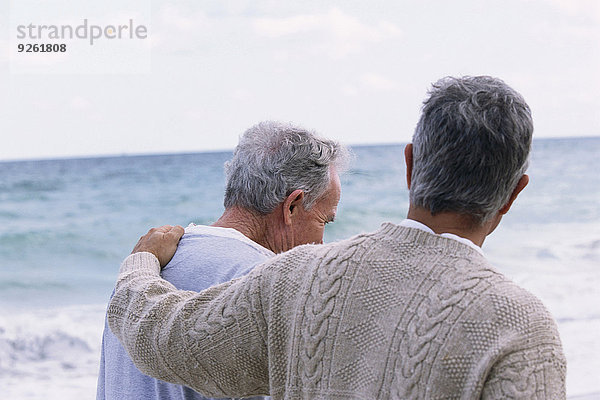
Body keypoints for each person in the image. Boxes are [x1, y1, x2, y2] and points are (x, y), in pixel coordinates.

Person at [107, 76, 567, 399]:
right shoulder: (522, 326)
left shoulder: (298, 278)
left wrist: (141, 265)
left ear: (410, 165)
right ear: (513, 194)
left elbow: (166, 340)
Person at [97, 121, 348, 400]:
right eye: (324, 221)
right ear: (292, 206)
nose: (322, 244)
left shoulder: (139, 273)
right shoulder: (268, 286)